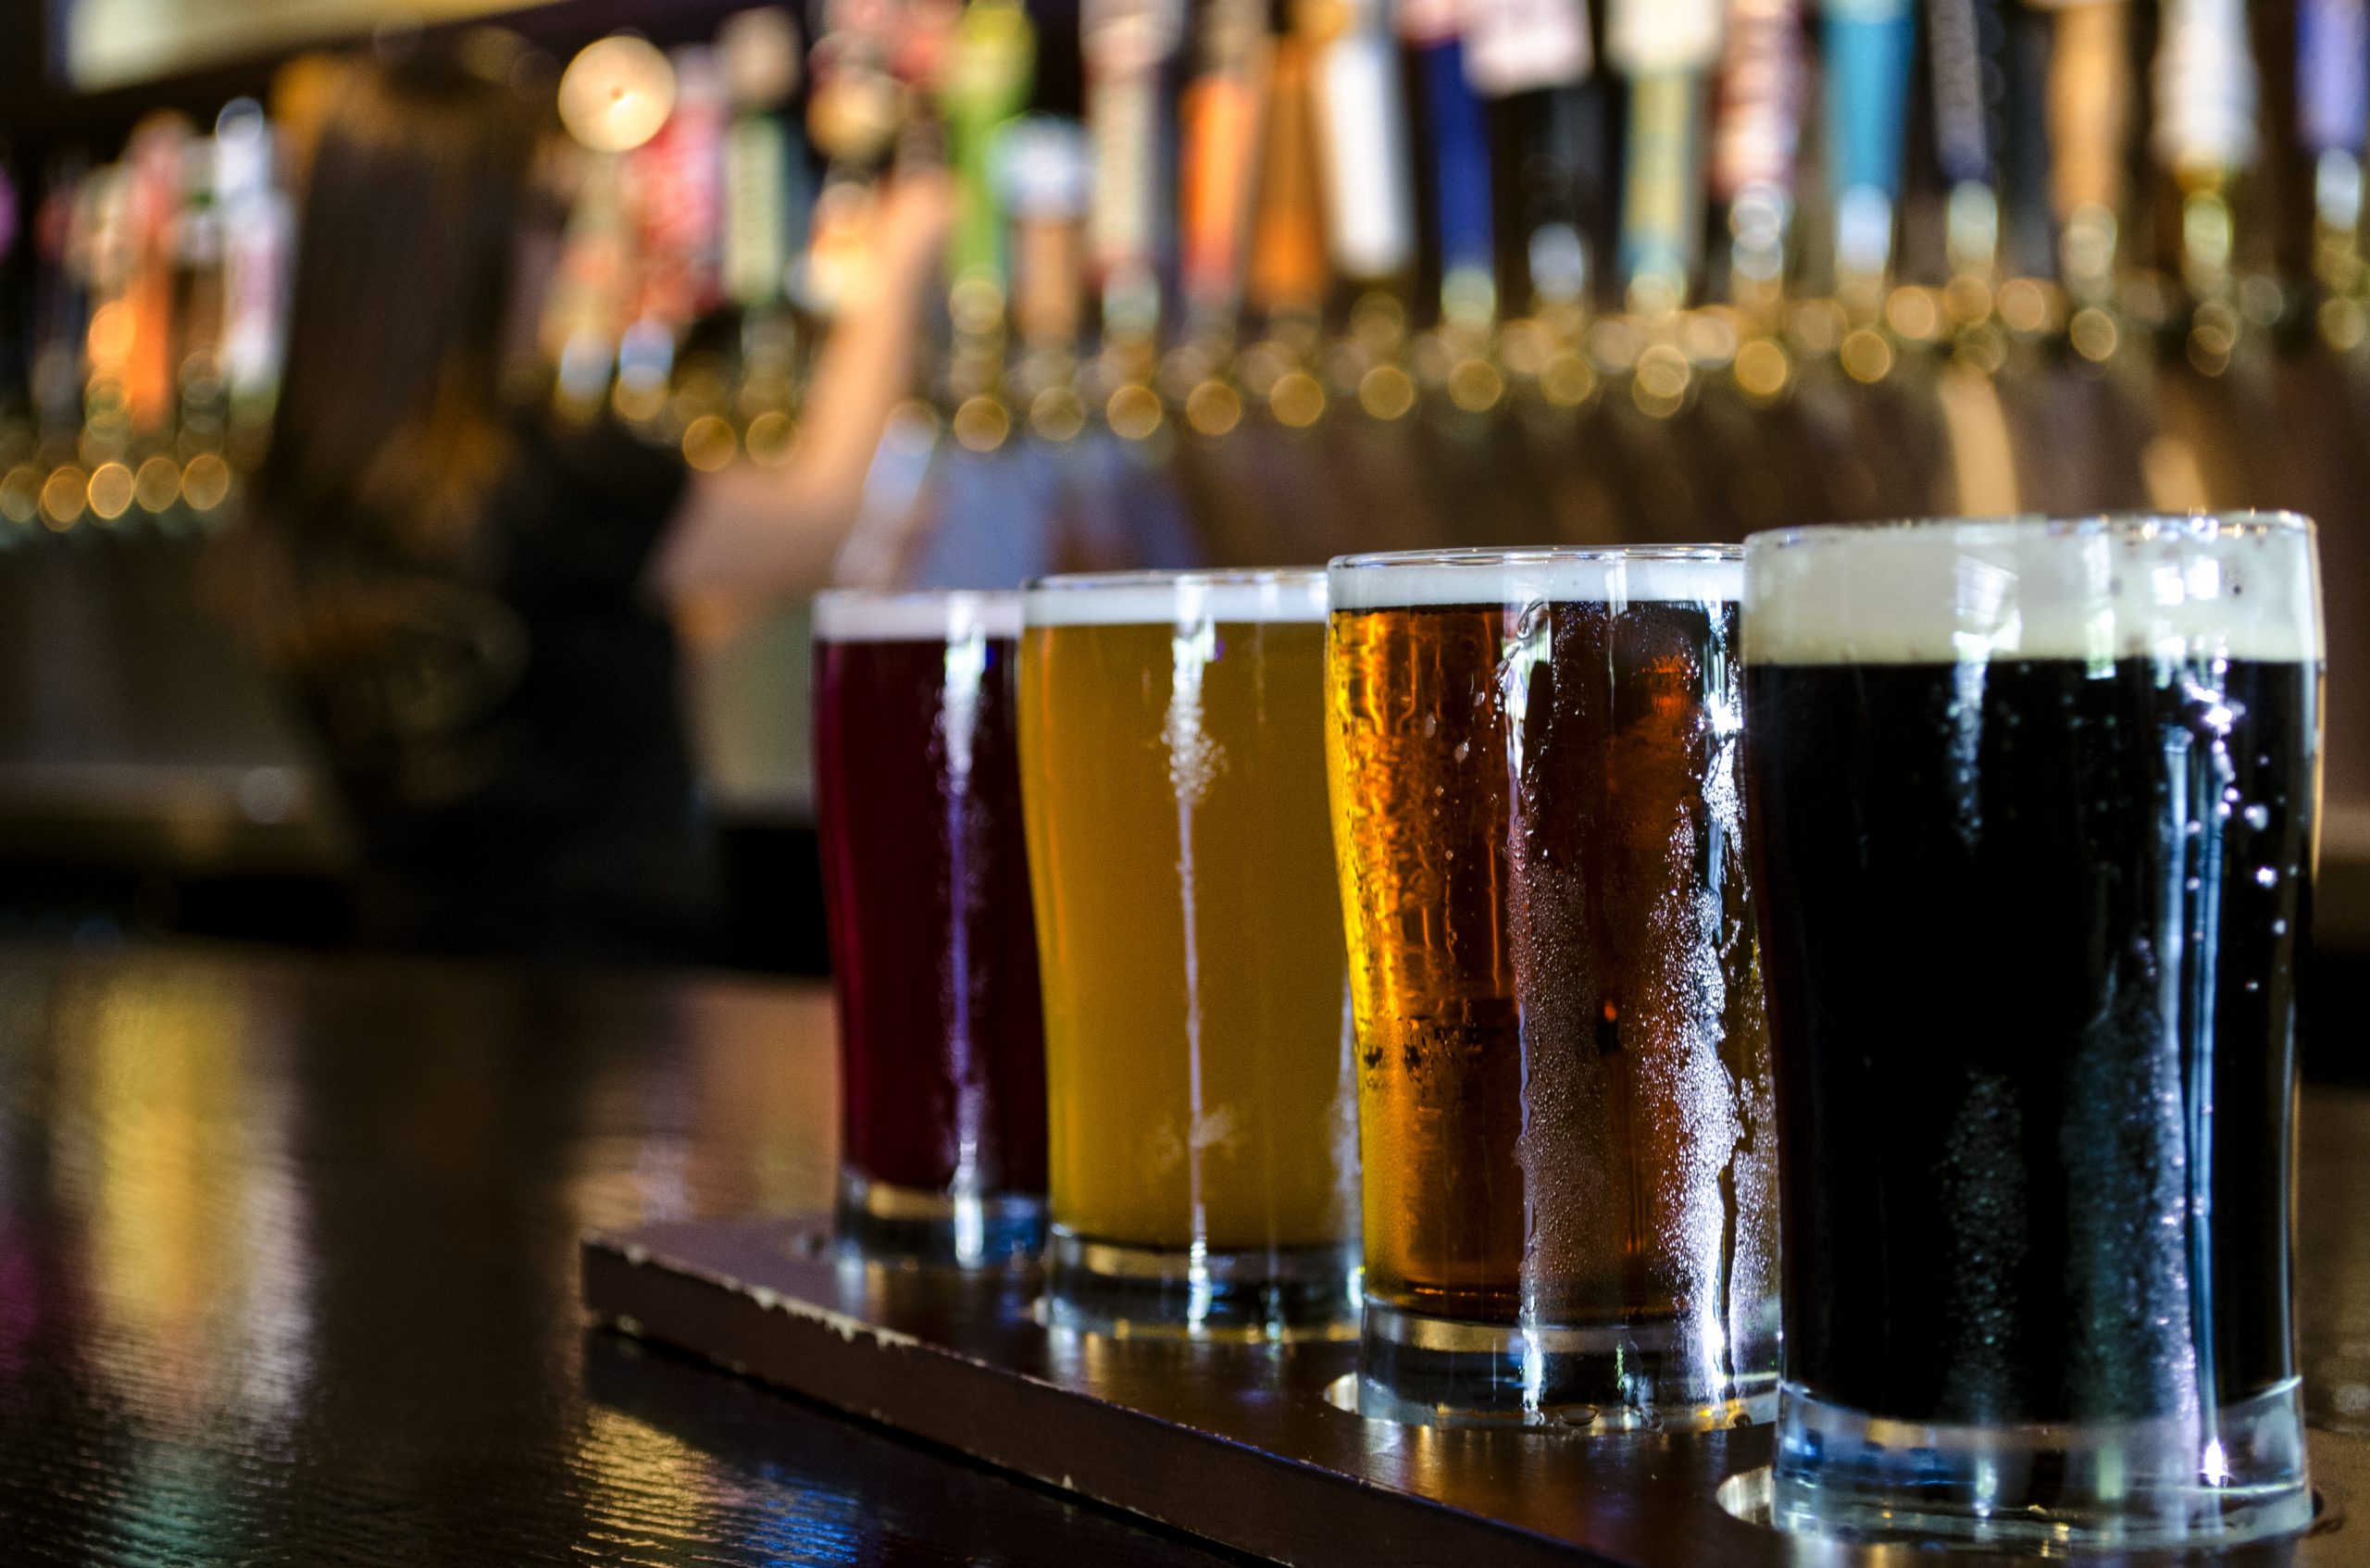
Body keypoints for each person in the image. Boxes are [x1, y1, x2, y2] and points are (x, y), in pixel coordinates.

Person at [220, 50, 951, 960]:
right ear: (463, 239)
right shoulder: (558, 469)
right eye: (549, 215)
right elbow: (824, 511)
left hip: (407, 995)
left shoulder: (302, 491)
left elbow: (550, 670)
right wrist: (897, 268)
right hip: (613, 1009)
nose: (565, 254)